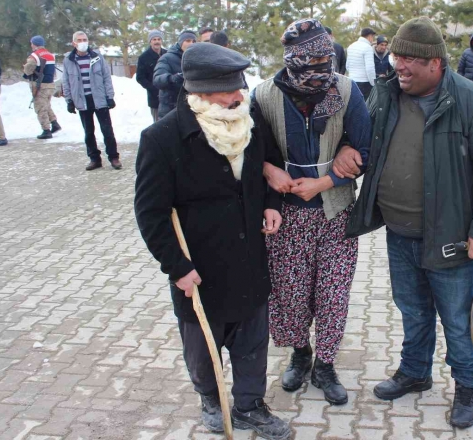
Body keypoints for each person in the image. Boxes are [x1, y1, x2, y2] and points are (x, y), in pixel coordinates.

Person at [341, 16, 473, 429]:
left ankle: (468, 386)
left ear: (435, 63)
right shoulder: (386, 95)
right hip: (400, 231)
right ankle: (416, 372)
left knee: (457, 318)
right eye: (396, 58)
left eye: (407, 61)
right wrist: (348, 148)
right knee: (413, 310)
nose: (398, 66)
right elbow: (364, 139)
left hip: (452, 236)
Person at [134, 43, 292, 439]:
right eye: (228, 90)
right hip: (200, 267)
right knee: (204, 348)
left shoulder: (249, 122)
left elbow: (268, 168)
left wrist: (272, 204)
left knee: (253, 343)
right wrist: (177, 268)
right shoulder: (163, 138)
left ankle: (250, 405)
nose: (239, 95)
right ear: (200, 91)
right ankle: (210, 398)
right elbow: (151, 213)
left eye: (240, 86)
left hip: (250, 258)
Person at [256, 18, 372, 406]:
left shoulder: (346, 90)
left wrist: (326, 182)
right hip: (287, 217)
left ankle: (326, 363)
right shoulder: (265, 96)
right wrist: (269, 174)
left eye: (328, 59)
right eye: (313, 61)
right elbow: (254, 152)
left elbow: (365, 148)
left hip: (335, 212)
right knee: (291, 293)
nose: (322, 70)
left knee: (332, 293)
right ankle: (300, 353)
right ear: (293, 60)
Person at [62, 31, 121, 170]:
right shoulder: (68, 60)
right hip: (82, 101)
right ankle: (94, 159)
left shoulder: (97, 57)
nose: (83, 42)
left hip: (99, 99)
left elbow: (106, 77)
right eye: (79, 40)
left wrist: (110, 96)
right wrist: (69, 100)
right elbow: (66, 82)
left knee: (107, 130)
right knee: (88, 132)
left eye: (85, 39)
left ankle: (114, 157)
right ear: (74, 43)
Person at [22, 35, 61, 140]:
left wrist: (25, 71)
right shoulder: (50, 55)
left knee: (40, 108)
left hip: (39, 86)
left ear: (34, 44)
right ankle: (54, 123)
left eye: (31, 43)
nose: (31, 45)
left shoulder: (34, 56)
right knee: (46, 105)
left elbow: (28, 70)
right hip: (50, 85)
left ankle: (46, 130)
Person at [153, 30, 196, 119]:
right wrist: (173, 79)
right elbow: (157, 79)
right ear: (180, 42)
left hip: (191, 109)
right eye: (187, 41)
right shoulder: (167, 58)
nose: (191, 44)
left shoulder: (197, 58)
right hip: (170, 110)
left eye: (194, 41)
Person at [136, 29, 166, 123]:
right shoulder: (144, 57)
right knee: (158, 124)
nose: (157, 41)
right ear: (150, 41)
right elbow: (140, 77)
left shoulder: (167, 54)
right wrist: (152, 88)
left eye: (159, 39)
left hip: (169, 96)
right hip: (155, 98)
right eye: (154, 39)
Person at [347, 27, 377, 100]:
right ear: (370, 36)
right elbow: (370, 68)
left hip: (352, 81)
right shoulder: (368, 48)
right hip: (364, 82)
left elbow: (347, 66)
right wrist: (373, 83)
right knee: (365, 106)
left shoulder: (351, 46)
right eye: (373, 37)